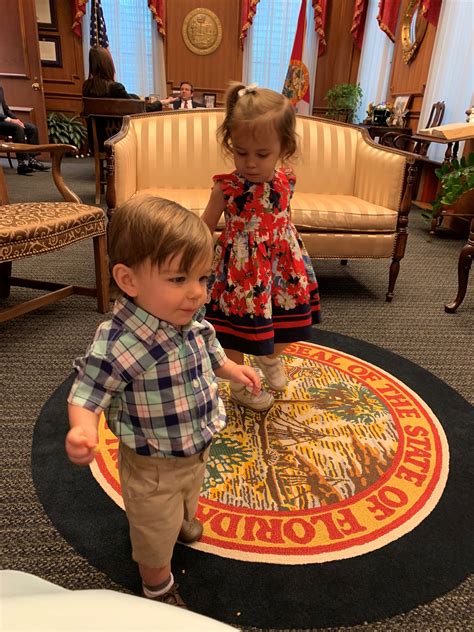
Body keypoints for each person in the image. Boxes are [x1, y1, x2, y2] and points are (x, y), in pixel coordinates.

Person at [65, 197, 261, 608]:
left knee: (191, 492)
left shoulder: (190, 319)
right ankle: (157, 584)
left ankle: (182, 520)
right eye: (178, 279)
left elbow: (210, 349)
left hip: (197, 443)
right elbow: (87, 391)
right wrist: (82, 427)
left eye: (203, 278)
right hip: (152, 463)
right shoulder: (119, 341)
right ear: (129, 280)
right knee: (153, 529)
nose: (196, 293)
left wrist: (230, 369)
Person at [201, 82, 321, 412]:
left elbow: (286, 216)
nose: (251, 163)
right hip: (239, 271)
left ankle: (269, 357)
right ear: (231, 144)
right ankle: (241, 384)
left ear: (284, 147)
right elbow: (204, 228)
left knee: (292, 323)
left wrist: (291, 248)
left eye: (262, 154)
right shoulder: (226, 187)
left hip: (282, 267)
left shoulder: (286, 180)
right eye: (241, 153)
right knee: (233, 332)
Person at [82, 46, 162, 112]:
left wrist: (136, 97)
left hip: (95, 131)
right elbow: (139, 109)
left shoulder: (86, 87)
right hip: (120, 131)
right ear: (108, 64)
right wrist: (159, 103)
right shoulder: (115, 88)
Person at [0, 85, 50, 175]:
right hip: (1, 121)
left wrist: (17, 120)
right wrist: (10, 120)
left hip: (5, 120)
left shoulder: (0, 89)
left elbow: (6, 109)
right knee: (17, 128)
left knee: (31, 128)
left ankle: (32, 160)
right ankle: (21, 164)